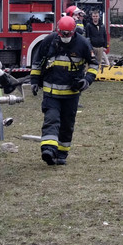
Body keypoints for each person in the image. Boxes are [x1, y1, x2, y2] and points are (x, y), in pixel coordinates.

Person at [30, 16, 98, 166]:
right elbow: (36, 62)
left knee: (67, 125)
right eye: (63, 34)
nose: (65, 37)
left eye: (68, 34)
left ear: (74, 31)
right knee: (51, 120)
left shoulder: (83, 44)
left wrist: (87, 81)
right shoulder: (49, 41)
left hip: (71, 95)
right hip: (51, 92)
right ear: (58, 31)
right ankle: (48, 150)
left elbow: (94, 65)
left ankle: (61, 154)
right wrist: (34, 82)